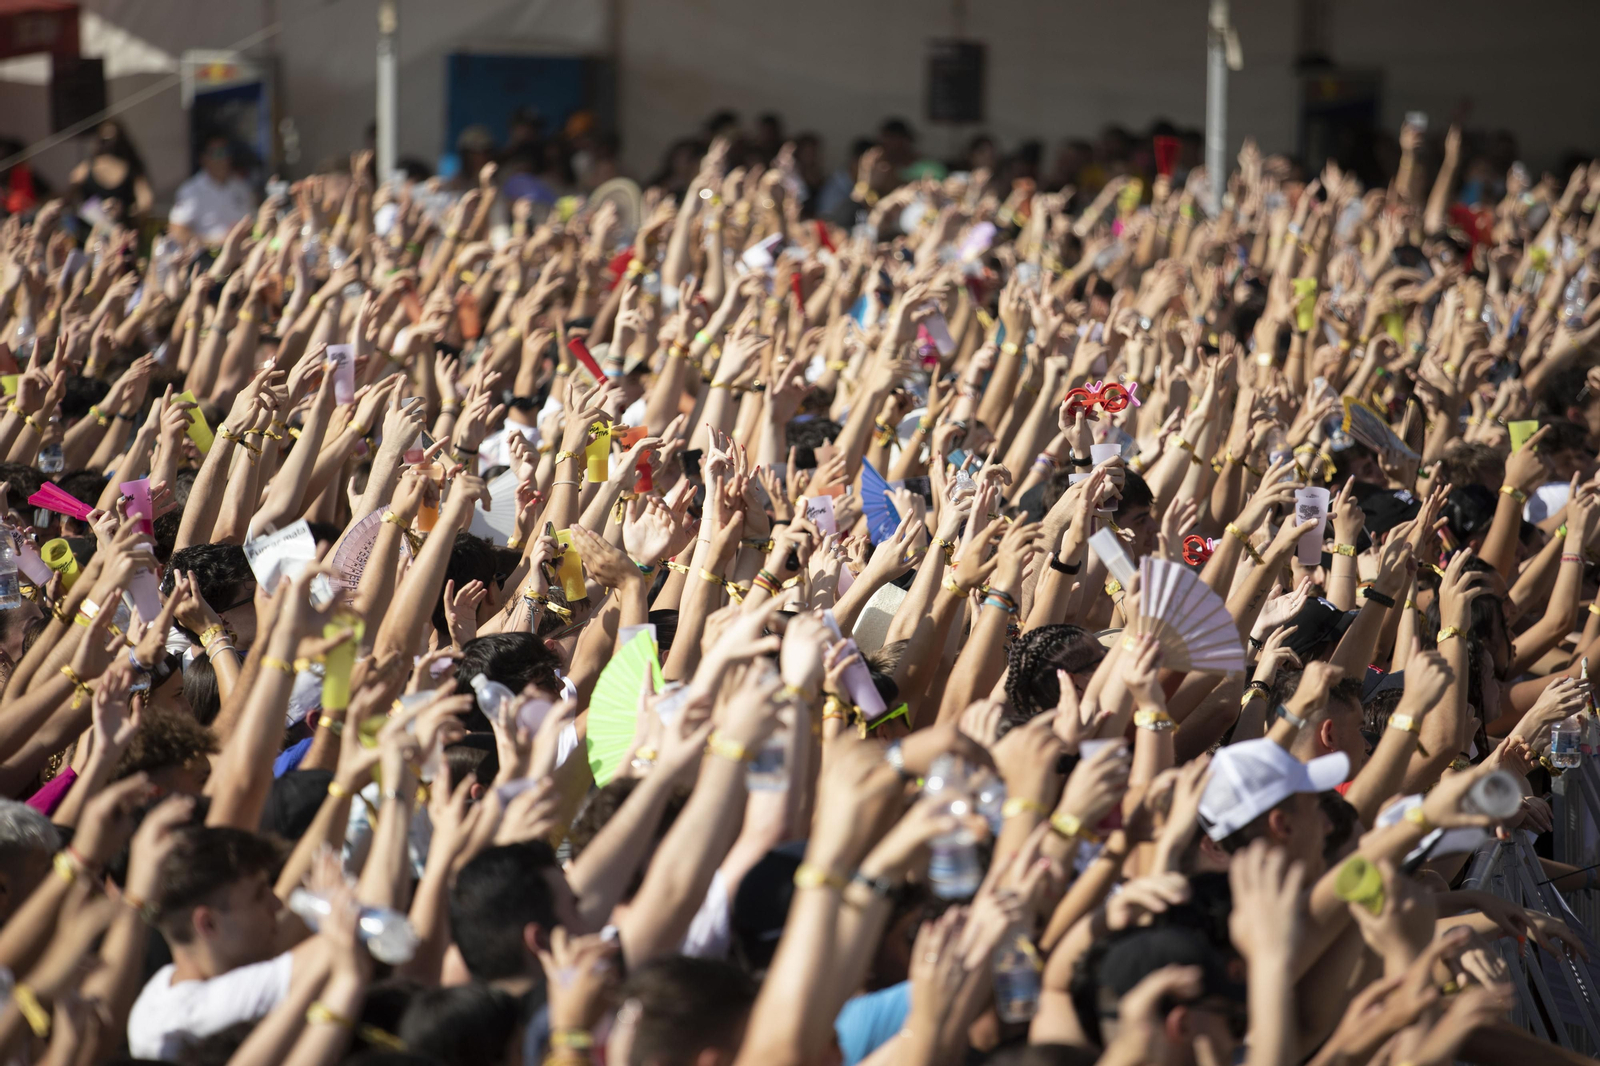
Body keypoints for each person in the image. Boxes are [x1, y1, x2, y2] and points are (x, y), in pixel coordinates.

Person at [0, 98, 1595, 1066]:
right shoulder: (168, 1007)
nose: (587, 923)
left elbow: (761, 801)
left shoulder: (597, 889)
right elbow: (768, 799)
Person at [169, 135, 257, 246]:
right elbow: (177, 232)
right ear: (203, 158)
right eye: (217, 153)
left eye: (226, 152)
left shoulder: (242, 188)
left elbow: (253, 223)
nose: (223, 158)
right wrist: (214, 243)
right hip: (204, 257)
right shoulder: (190, 191)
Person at [68, 120, 153, 223]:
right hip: (114, 231)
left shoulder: (86, 167)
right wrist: (131, 216)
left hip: (96, 230)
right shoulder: (131, 168)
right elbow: (145, 203)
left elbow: (69, 194)